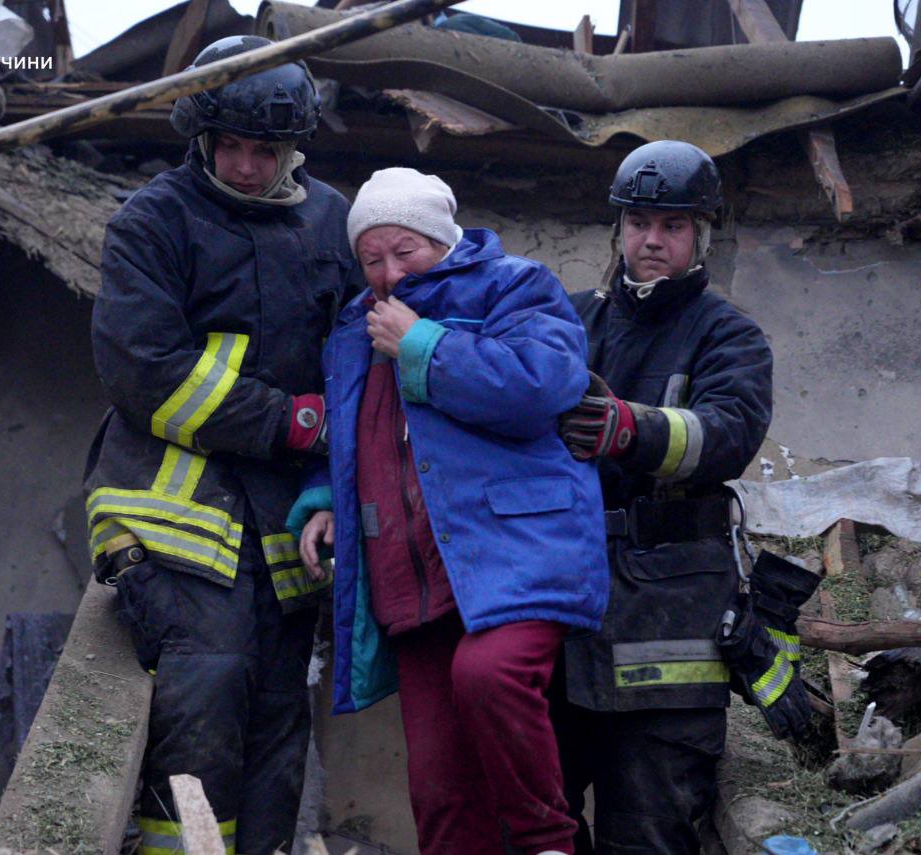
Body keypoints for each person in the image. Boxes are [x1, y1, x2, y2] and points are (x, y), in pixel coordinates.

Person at [82, 36, 362, 855]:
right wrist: (292, 422)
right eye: (229, 145)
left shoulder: (334, 223)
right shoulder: (153, 220)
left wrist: (332, 473)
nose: (243, 166)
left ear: (294, 147)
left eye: (263, 150)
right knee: (203, 696)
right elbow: (143, 369)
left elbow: (359, 363)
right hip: (170, 512)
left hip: (283, 531)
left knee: (277, 724)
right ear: (201, 137)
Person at [290, 168, 609, 855]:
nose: (389, 273)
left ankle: (548, 842)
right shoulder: (354, 328)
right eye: (371, 259)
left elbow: (544, 385)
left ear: (441, 238)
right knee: (438, 786)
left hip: (517, 556)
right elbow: (351, 431)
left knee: (489, 674)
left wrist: (422, 346)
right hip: (414, 577)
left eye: (404, 251)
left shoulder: (513, 286)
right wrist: (327, 499)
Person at [552, 141, 774, 854]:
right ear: (618, 228)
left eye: (672, 225)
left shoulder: (729, 335)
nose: (652, 240)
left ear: (700, 234)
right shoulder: (567, 321)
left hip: (669, 631)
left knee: (649, 837)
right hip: (564, 615)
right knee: (539, 831)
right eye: (639, 222)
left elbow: (730, 433)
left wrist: (631, 429)